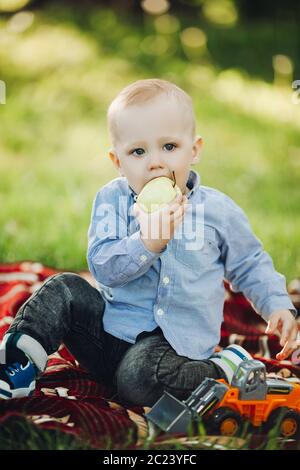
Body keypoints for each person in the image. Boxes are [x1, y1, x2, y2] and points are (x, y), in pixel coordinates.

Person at [0, 79, 298, 407]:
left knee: (138, 380)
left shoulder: (216, 211)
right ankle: (16, 366)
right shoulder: (112, 201)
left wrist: (275, 303)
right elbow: (102, 266)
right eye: (138, 151)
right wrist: (147, 243)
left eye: (169, 147)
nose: (154, 162)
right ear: (118, 161)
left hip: (173, 349)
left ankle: (220, 368)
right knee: (62, 288)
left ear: (194, 149)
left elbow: (249, 261)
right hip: (109, 336)